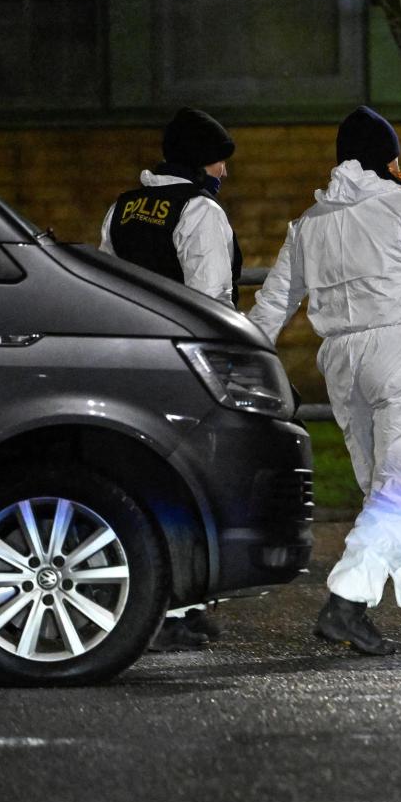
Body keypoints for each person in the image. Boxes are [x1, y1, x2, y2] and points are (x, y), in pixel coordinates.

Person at [248, 106, 401, 657]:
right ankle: (346, 603)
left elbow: (274, 302)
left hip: (342, 361)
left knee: (386, 490)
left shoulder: (310, 223)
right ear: (388, 159)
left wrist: (241, 357)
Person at [100, 106, 241, 650]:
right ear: (199, 163)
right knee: (191, 483)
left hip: (131, 363)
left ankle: (156, 602)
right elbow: (211, 301)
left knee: (142, 478)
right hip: (186, 366)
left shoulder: (123, 208)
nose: (223, 173)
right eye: (218, 162)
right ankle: (179, 610)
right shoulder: (200, 211)